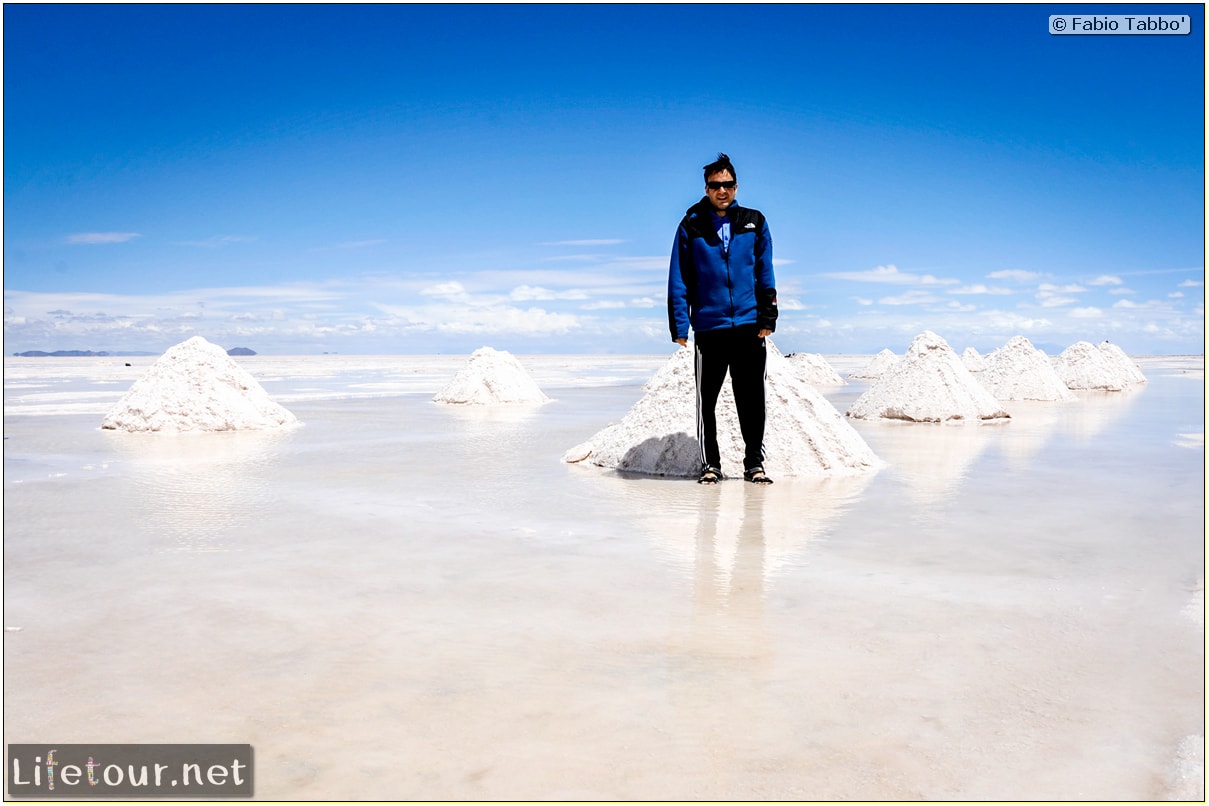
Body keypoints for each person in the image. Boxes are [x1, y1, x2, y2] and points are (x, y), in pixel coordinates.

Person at [667, 153, 778, 485]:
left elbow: (764, 270)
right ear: (706, 188)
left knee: (752, 399)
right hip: (710, 328)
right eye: (716, 185)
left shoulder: (754, 221)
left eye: (727, 184)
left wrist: (768, 315)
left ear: (736, 186)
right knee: (708, 402)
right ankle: (710, 465)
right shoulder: (691, 225)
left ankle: (753, 464)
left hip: (747, 325)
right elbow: (679, 276)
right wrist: (679, 323)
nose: (722, 191)